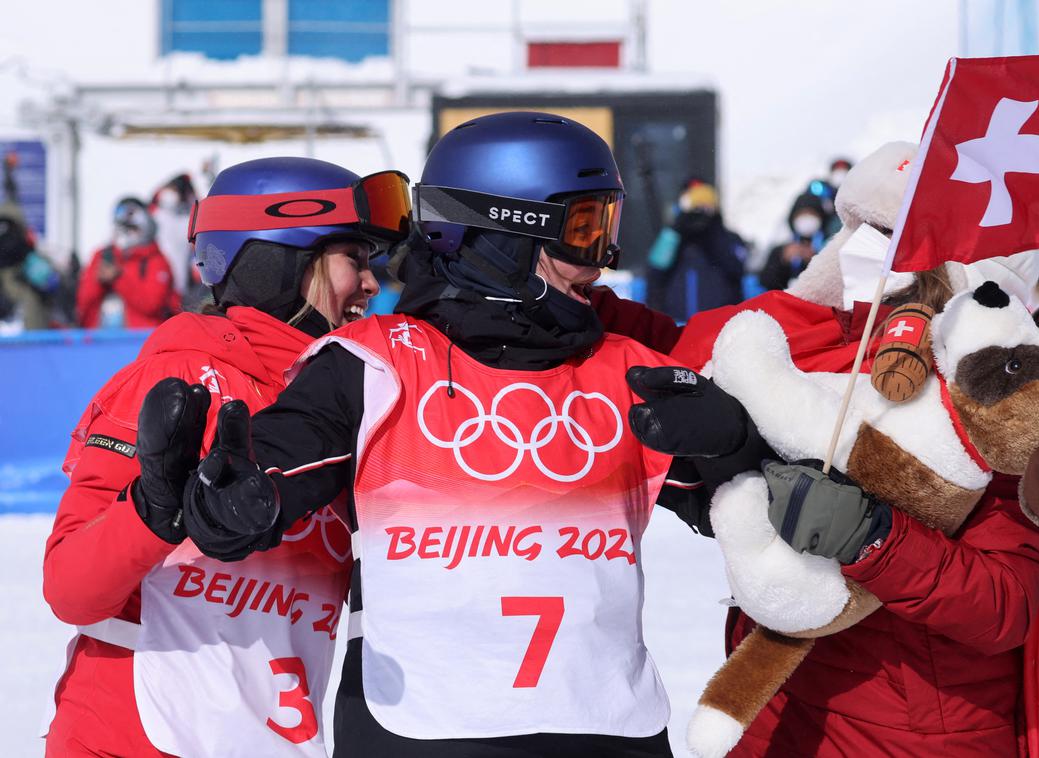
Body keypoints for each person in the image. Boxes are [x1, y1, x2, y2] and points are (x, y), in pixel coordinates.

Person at [135, 111, 685, 757]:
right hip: (422, 726)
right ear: (507, 233)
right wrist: (231, 498)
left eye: (608, 226)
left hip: (607, 729)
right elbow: (279, 464)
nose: (605, 260)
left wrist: (738, 445)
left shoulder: (627, 369)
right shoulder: (375, 362)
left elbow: (757, 514)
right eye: (586, 232)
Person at [630, 141, 1039, 756]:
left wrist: (873, 537)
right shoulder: (801, 339)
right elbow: (653, 348)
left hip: (917, 732)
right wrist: (725, 460)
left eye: (894, 238)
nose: (863, 251)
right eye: (858, 227)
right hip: (780, 719)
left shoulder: (990, 389)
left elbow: (1001, 605)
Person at [42, 157, 412, 757]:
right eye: (354, 259)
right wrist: (154, 509)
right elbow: (70, 588)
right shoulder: (178, 379)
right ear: (278, 260)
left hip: (270, 738)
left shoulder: (355, 394)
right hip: (134, 737)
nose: (371, 285)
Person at [646, 179, 748, 321]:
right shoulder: (674, 237)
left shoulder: (727, 237)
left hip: (719, 327)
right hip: (676, 325)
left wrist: (712, 228)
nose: (699, 212)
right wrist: (677, 228)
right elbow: (656, 268)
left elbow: (736, 267)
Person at [77, 197, 180, 328]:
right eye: (123, 227)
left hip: (141, 340)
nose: (127, 233)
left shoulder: (156, 260)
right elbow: (84, 304)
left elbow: (152, 305)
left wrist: (119, 278)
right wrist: (98, 282)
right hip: (101, 342)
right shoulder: (103, 256)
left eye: (132, 228)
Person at [758, 190, 827, 291]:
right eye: (802, 214)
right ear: (793, 218)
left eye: (811, 213)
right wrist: (783, 261)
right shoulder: (780, 250)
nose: (807, 218)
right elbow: (766, 282)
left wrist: (816, 260)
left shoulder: (828, 247)